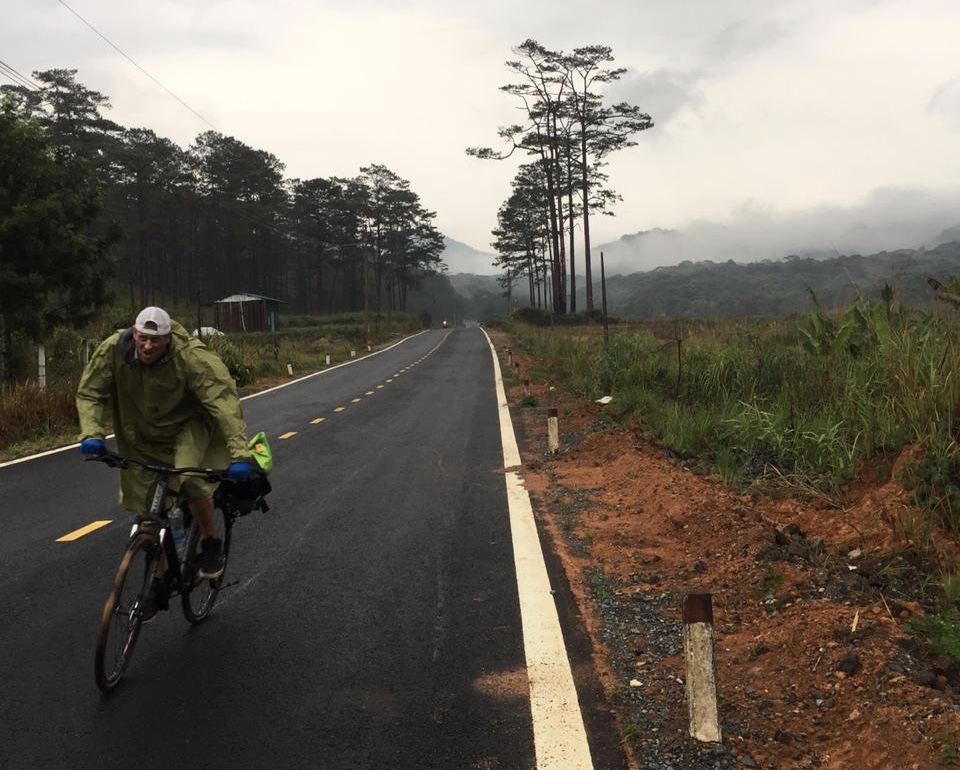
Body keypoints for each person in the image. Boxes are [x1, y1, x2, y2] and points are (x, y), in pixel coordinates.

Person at [76, 306, 252, 578]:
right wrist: (91, 433)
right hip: (142, 433)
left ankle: (210, 541)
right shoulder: (112, 351)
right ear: (133, 333)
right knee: (148, 510)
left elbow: (224, 402)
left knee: (189, 476)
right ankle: (156, 582)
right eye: (142, 337)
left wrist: (239, 455)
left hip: (189, 426)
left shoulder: (191, 357)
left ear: (168, 338)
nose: (147, 346)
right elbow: (90, 393)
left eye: (155, 340)